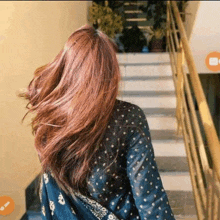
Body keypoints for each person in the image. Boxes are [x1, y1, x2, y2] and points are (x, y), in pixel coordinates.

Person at [20, 24, 175, 220]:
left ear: (68, 67)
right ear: (109, 72)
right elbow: (150, 201)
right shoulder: (128, 117)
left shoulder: (51, 115)